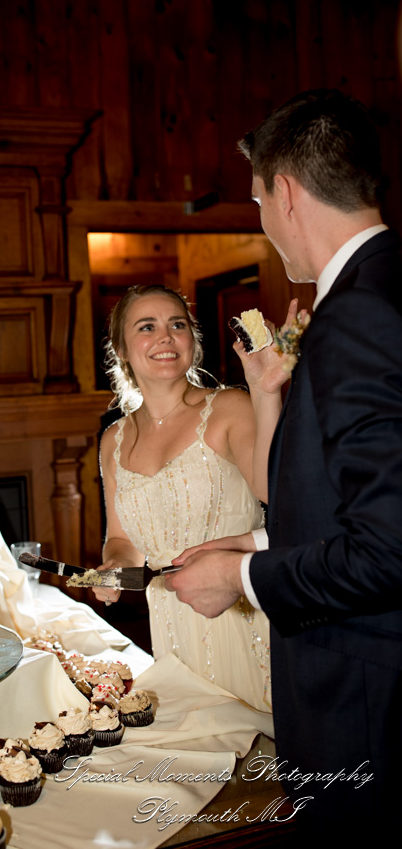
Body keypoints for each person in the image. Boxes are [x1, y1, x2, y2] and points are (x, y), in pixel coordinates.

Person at [165, 89, 402, 835]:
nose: (263, 222)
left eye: (259, 198)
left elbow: (390, 550)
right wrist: (260, 541)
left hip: (364, 701)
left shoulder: (358, 312)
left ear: (288, 193)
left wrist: (238, 577)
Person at [93, 283, 292, 714]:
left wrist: (265, 390)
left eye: (177, 324)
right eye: (147, 327)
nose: (165, 336)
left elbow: (273, 490)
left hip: (244, 615)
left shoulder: (228, 408)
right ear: (122, 349)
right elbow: (122, 540)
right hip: (172, 628)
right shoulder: (114, 439)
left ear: (191, 341)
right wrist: (113, 569)